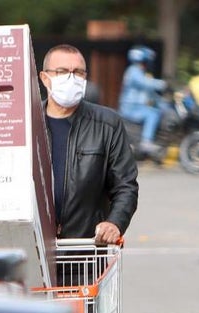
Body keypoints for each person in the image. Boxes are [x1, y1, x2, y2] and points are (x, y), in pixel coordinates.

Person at [39, 44, 139, 245]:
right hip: (35, 248)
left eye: (78, 72)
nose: (71, 78)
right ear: (45, 78)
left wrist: (115, 223)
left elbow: (125, 185)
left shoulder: (107, 124)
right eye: (62, 72)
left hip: (87, 247)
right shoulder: (27, 124)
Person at [118, 46, 167, 155]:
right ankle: (146, 142)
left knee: (159, 110)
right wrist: (162, 84)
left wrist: (164, 104)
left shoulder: (141, 73)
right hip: (131, 108)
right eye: (148, 61)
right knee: (153, 114)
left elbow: (151, 94)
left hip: (138, 107)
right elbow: (144, 83)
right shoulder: (133, 71)